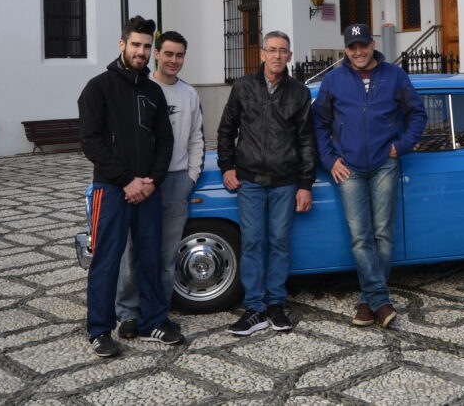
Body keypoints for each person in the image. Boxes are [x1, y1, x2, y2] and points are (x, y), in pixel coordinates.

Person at [312, 23, 426, 329]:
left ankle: (367, 301)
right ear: (345, 50)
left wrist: (399, 147)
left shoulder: (395, 76)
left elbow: (418, 114)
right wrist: (330, 159)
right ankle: (379, 300)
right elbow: (319, 124)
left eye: (363, 45)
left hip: (384, 163)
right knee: (360, 236)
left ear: (373, 44)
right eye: (352, 47)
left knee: (383, 234)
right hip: (347, 168)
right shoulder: (333, 80)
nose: (358, 52)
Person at [78, 15, 177, 357]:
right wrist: (126, 180)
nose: (142, 51)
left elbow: (166, 141)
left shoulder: (153, 92)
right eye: (136, 44)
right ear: (122, 45)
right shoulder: (98, 88)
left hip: (148, 190)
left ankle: (153, 321)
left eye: (147, 46)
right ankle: (100, 330)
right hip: (111, 189)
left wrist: (152, 181)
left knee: (150, 257)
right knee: (107, 259)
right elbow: (91, 142)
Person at [217, 30, 316, 336]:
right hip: (249, 180)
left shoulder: (299, 93)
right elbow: (226, 129)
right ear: (261, 54)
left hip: (286, 182)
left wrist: (305, 184)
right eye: (271, 50)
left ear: (289, 56)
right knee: (253, 243)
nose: (276, 55)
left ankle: (275, 305)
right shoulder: (243, 87)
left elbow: (307, 141)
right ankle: (255, 308)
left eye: (282, 51)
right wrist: (226, 166)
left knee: (280, 243)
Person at [115, 31, 204, 342]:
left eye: (180, 55)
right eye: (168, 54)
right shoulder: (141, 90)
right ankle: (128, 313)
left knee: (165, 255)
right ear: (157, 54)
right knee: (131, 251)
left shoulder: (190, 95)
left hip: (176, 180)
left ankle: (158, 312)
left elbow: (196, 138)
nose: (174, 60)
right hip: (140, 181)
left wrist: (191, 176)